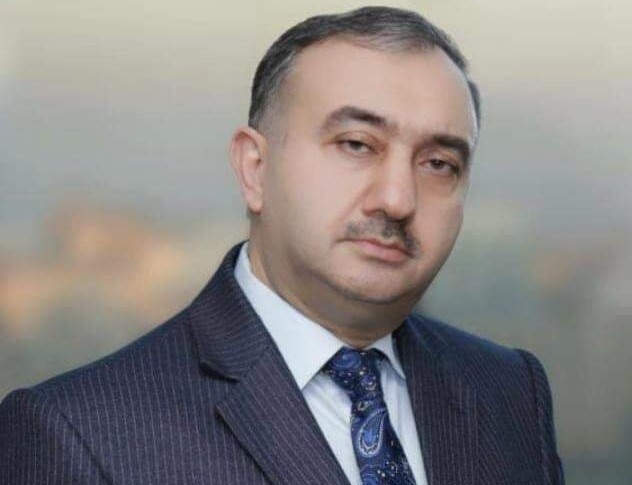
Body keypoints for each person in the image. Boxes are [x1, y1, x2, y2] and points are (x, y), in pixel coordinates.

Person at [0, 6, 564, 485]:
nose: (397, 199)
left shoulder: (510, 391)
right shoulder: (77, 434)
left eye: (439, 164)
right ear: (255, 168)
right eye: (356, 144)